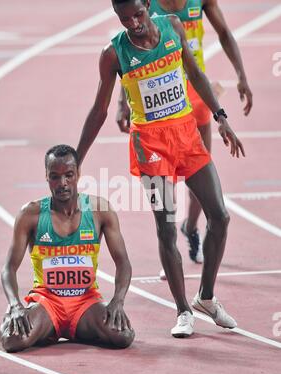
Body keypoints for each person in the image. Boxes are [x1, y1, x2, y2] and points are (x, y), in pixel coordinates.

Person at [76, 0, 245, 337]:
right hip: (151, 144)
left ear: (148, 6)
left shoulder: (172, 26)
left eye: (138, 15)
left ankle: (206, 298)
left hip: (186, 133)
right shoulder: (114, 54)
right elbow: (99, 109)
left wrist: (220, 117)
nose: (134, 24)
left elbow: (195, 73)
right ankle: (183, 310)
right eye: (125, 19)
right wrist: (77, 159)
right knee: (166, 228)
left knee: (220, 216)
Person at [116, 0, 253, 266]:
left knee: (199, 172)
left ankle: (190, 227)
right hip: (159, 94)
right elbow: (132, 57)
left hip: (194, 89)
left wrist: (241, 75)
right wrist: (123, 102)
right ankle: (170, 250)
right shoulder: (145, 5)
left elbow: (224, 32)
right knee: (165, 186)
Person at [0, 144, 135, 352]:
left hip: (85, 302)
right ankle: (23, 321)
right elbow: (8, 268)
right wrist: (15, 305)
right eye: (55, 176)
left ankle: (72, 329)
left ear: (78, 174)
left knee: (123, 336)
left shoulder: (100, 210)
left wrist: (118, 301)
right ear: (46, 176)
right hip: (47, 302)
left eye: (69, 175)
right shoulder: (30, 214)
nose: (62, 183)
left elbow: (123, 262)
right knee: (13, 341)